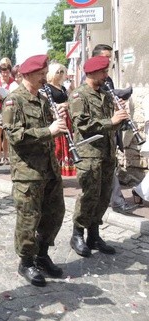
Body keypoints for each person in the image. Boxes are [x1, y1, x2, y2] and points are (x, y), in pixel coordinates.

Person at [2, 54, 67, 287]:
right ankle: (26, 261)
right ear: (28, 75)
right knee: (29, 219)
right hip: (27, 172)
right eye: (41, 75)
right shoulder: (13, 101)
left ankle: (42, 254)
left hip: (49, 168)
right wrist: (48, 131)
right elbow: (15, 136)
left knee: (55, 213)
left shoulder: (42, 98)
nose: (44, 78)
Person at [69, 55, 130, 257]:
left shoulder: (105, 93)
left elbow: (112, 125)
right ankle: (77, 233)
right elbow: (83, 124)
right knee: (89, 196)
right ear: (92, 72)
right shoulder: (79, 95)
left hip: (107, 153)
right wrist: (111, 120)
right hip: (89, 154)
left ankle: (93, 235)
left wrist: (121, 116)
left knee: (104, 196)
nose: (106, 76)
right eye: (103, 72)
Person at [89, 44, 138, 214]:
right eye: (105, 57)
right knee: (100, 179)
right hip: (98, 138)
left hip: (110, 132)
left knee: (110, 171)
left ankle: (114, 202)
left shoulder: (106, 78)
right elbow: (91, 117)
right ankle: (115, 203)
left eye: (110, 58)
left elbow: (109, 102)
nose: (109, 61)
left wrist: (119, 107)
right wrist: (112, 117)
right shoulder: (90, 81)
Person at [43, 62, 76, 177]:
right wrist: (61, 106)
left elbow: (70, 100)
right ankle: (54, 172)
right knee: (57, 147)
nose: (61, 74)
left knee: (66, 146)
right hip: (55, 118)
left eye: (62, 71)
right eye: (58, 72)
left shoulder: (62, 87)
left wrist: (66, 103)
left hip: (66, 118)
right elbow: (48, 104)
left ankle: (61, 172)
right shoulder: (47, 87)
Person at [0, 61, 14, 166]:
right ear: (0, 72)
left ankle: (5, 156)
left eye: (7, 72)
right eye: (3, 72)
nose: (5, 75)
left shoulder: (13, 82)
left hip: (8, 110)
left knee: (6, 135)